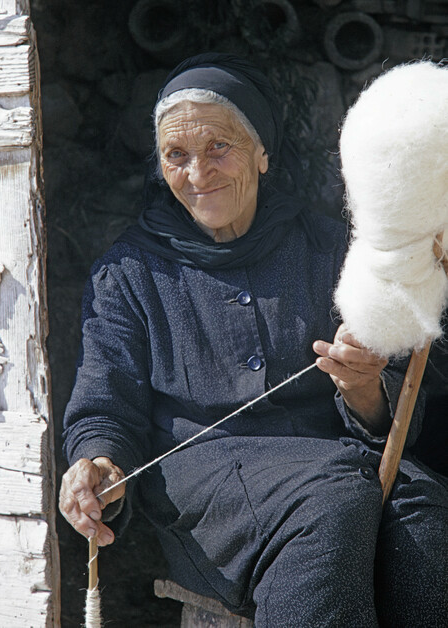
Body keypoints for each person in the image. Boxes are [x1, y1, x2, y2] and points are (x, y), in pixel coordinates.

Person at [59, 54, 448, 627]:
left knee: (422, 506)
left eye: (220, 147)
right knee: (330, 504)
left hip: (341, 456)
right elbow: (104, 400)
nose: (198, 173)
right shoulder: (128, 274)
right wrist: (97, 463)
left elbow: (397, 407)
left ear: (263, 152)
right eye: (177, 155)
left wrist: (364, 388)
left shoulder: (332, 249)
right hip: (208, 477)